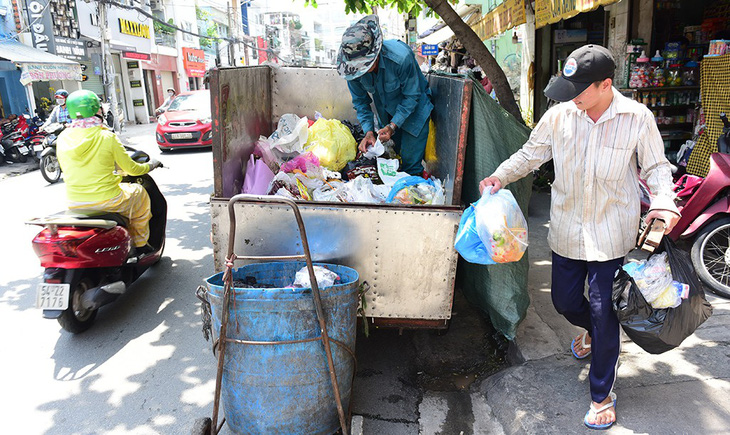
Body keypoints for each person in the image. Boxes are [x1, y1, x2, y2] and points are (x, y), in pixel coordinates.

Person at [479, 45, 680, 430]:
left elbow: (656, 167)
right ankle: (594, 332)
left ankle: (602, 392)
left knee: (606, 310)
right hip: (568, 229)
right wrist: (499, 176)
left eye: (579, 89)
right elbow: (529, 155)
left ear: (606, 85)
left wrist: (664, 201)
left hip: (612, 230)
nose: (572, 98)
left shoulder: (637, 118)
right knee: (565, 300)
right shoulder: (559, 117)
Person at [56, 90, 162, 256]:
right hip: (108, 201)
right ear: (98, 111)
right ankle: (141, 244)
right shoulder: (106, 137)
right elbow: (132, 169)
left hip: (75, 203)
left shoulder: (62, 137)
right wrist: (151, 165)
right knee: (140, 194)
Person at [336, 15, 433, 176]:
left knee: (410, 166)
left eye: (366, 66)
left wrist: (393, 126)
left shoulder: (401, 58)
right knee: (396, 161)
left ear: (377, 52)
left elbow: (412, 97)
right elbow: (361, 103)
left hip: (415, 112)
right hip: (387, 115)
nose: (363, 71)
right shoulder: (352, 71)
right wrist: (369, 132)